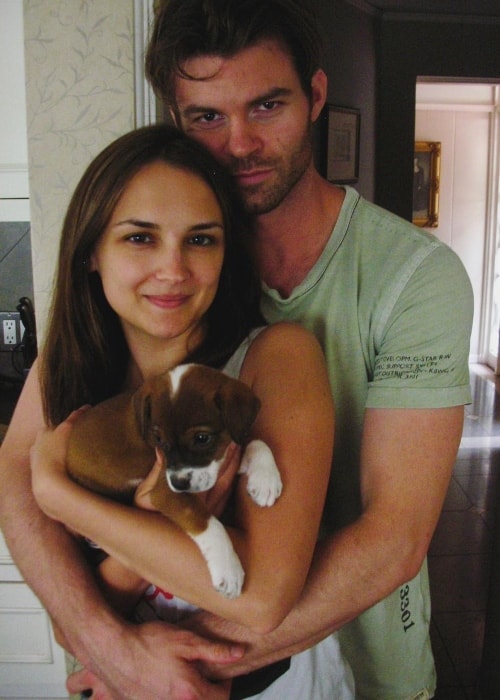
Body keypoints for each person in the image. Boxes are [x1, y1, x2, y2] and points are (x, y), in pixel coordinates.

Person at [0, 1, 473, 699]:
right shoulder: (162, 291)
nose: (240, 144)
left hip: (351, 662)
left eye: (267, 106)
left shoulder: (411, 279)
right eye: (207, 117)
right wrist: (110, 647)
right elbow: (20, 474)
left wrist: (167, 669)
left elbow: (394, 539)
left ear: (314, 96)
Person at [1, 123, 355, 699]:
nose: (173, 269)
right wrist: (116, 653)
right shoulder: (64, 367)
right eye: (140, 238)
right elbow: (67, 613)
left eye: (201, 239)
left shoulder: (274, 357)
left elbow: (262, 598)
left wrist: (56, 492)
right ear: (92, 251)